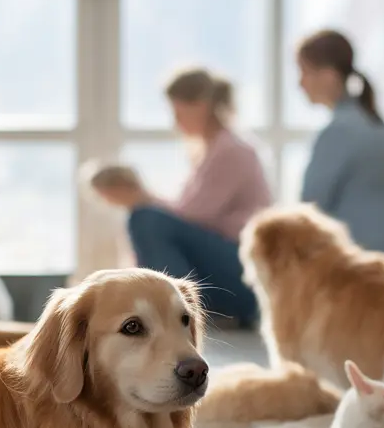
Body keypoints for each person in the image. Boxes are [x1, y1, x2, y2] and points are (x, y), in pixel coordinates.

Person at [91, 68, 272, 328]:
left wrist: (142, 197)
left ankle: (170, 310)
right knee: (145, 216)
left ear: (200, 106)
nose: (174, 122)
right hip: (234, 266)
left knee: (146, 219)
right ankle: (166, 305)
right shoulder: (213, 150)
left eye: (178, 112)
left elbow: (194, 214)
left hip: (244, 274)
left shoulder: (232, 150)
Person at [296, 29, 384, 266]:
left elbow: (308, 211)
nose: (299, 83)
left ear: (329, 76)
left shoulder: (339, 131)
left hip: (363, 266)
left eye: (304, 72)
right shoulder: (374, 122)